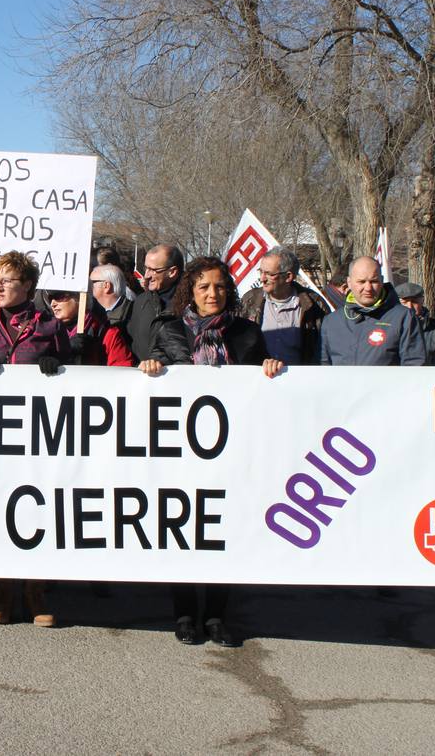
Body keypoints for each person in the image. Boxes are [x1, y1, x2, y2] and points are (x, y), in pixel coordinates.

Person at [141, 256, 284, 647]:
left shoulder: (248, 334)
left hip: (231, 451)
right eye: (203, 287)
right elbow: (152, 376)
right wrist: (151, 366)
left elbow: (260, 387)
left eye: (219, 286)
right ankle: (185, 613)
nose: (212, 294)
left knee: (224, 530)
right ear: (191, 290)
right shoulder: (169, 330)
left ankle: (218, 615)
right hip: (181, 451)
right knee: (184, 529)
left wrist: (270, 368)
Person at [0, 251, 70, 627]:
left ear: (27, 285)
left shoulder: (49, 327)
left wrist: (56, 368)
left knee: (36, 509)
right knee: (0, 508)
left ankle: (35, 590)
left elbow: (73, 379)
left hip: (37, 435)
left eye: (7, 280)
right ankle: (4, 589)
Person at [320, 257, 425, 366]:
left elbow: (414, 364)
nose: (368, 288)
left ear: (382, 281)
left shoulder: (403, 317)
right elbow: (323, 365)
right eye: (361, 282)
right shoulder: (331, 321)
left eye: (374, 281)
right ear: (349, 283)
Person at [239, 246, 326, 366]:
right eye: (261, 272)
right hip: (258, 380)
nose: (262, 278)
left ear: (288, 276)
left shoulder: (315, 304)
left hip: (298, 381)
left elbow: (324, 351)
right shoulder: (249, 300)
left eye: (269, 274)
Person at [46, 288, 136, 367]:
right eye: (50, 298)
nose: (53, 304)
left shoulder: (107, 335)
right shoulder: (45, 333)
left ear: (79, 298)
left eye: (59, 297)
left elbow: (121, 375)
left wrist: (92, 356)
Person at [127, 243, 183, 362]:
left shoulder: (193, 304)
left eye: (153, 270)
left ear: (172, 272)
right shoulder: (141, 301)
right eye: (146, 268)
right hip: (145, 377)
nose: (146, 275)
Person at [90, 262, 134, 327]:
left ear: (106, 286)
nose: (87, 286)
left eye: (91, 282)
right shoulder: (91, 313)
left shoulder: (131, 315)